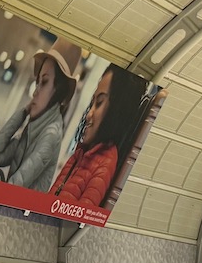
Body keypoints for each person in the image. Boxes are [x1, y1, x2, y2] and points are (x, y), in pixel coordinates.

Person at [0, 38, 79, 191]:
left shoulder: (50, 134)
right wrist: (23, 113)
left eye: (44, 82)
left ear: (59, 91)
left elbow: (10, 192)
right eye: (37, 83)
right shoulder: (33, 128)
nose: (35, 91)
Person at [49, 65, 150, 210]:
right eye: (92, 103)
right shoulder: (82, 152)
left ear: (117, 110)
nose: (89, 113)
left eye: (99, 103)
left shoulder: (104, 164)